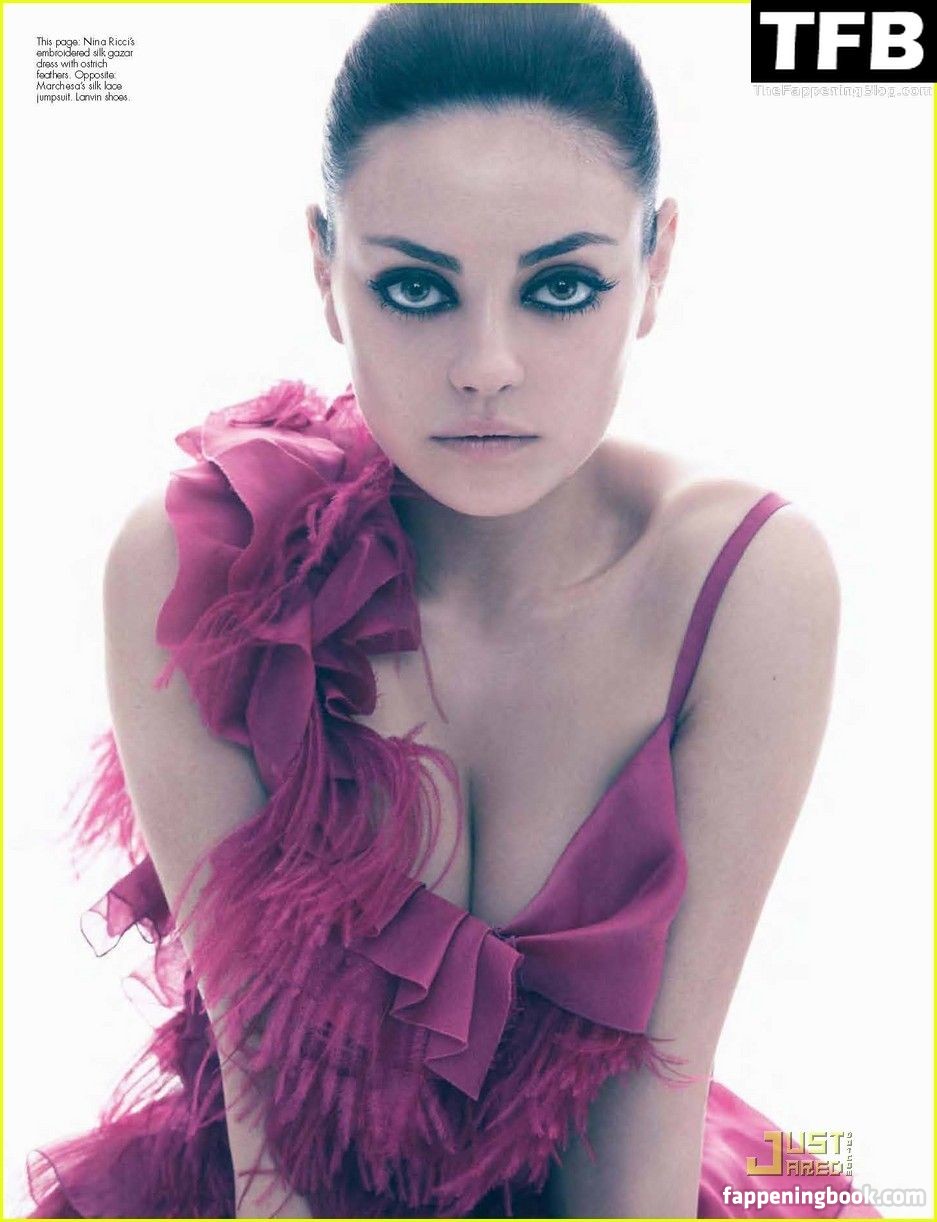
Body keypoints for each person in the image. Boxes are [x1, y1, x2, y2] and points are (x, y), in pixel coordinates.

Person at [23, 5, 881, 1218]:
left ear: (655, 265)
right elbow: (274, 1143)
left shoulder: (745, 584)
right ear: (326, 271)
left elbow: (640, 1134)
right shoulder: (203, 566)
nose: (487, 364)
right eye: (417, 287)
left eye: (561, 285)